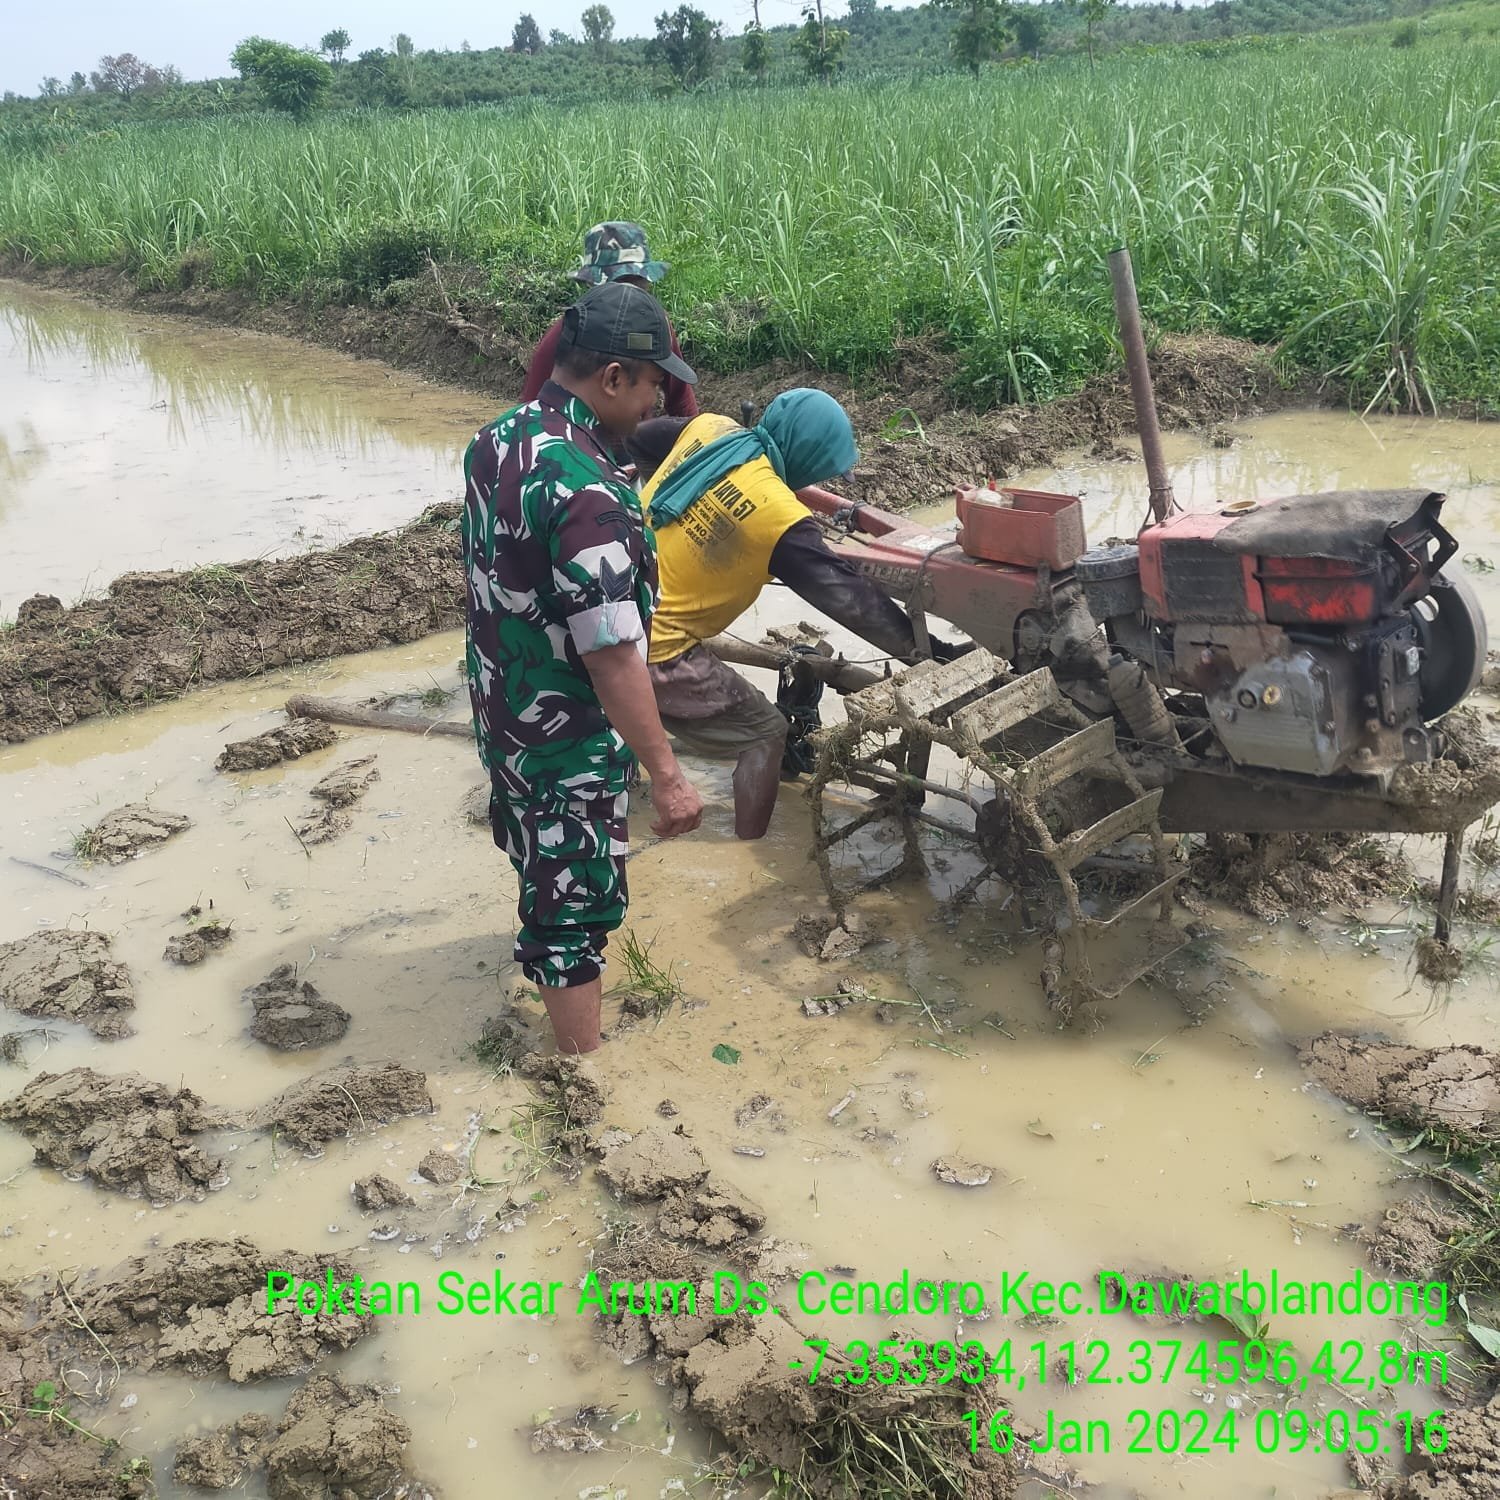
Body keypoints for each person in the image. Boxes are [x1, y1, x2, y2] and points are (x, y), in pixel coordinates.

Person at [462, 279, 704, 1056]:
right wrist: (664, 772)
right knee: (572, 905)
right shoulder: (589, 491)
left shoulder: (498, 441)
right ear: (611, 378)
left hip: (505, 713)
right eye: (651, 387)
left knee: (537, 853)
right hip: (566, 737)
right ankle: (583, 1070)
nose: (655, 405)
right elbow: (609, 652)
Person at [633, 390, 954, 841]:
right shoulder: (780, 521)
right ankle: (749, 849)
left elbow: (640, 438)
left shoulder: (712, 429)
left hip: (616, 608)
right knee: (765, 731)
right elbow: (851, 601)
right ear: (807, 459)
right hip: (657, 648)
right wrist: (930, 653)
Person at [521, 222, 699, 421]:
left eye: (636, 285)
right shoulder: (569, 332)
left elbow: (681, 399)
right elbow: (531, 411)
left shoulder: (656, 327)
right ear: (595, 288)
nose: (627, 297)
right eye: (620, 286)